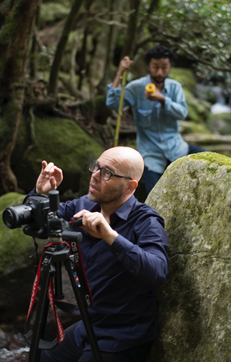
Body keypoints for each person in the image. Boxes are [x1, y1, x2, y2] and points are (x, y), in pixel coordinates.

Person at [34, 146, 168, 362]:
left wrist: (111, 237)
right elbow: (39, 221)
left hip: (124, 335)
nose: (94, 176)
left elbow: (158, 272)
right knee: (43, 358)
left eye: (106, 173)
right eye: (96, 167)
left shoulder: (146, 222)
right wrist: (41, 194)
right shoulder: (85, 205)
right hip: (87, 324)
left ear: (130, 186)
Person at [106, 45, 205, 195]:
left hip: (176, 148)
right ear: (147, 66)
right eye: (155, 67)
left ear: (170, 66)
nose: (160, 72)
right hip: (150, 154)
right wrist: (120, 71)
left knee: (210, 161)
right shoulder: (136, 88)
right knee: (154, 194)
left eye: (164, 67)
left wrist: (163, 100)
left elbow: (182, 113)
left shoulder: (175, 87)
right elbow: (112, 103)